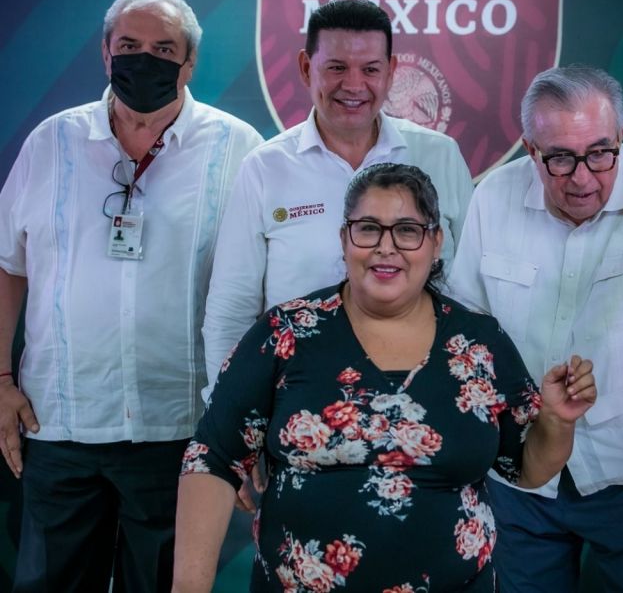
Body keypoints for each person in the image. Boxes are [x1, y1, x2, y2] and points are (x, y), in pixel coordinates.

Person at [173, 163, 595, 592]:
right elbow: (212, 457)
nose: (385, 247)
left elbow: (526, 467)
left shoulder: (479, 342)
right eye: (369, 229)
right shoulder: (287, 333)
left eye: (407, 230)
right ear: (344, 238)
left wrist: (557, 421)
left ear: (435, 242)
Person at [0, 0, 262, 592]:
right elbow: (7, 264)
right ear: (105, 53)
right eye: (129, 46)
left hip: (181, 429)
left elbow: (262, 292)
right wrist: (0, 379)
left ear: (190, 62)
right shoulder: (50, 143)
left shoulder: (239, 149)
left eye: (164, 49)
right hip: (60, 424)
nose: (144, 60)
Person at [448, 65, 623, 592]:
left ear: (621, 138)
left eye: (600, 153)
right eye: (561, 158)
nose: (583, 178)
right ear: (530, 149)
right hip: (521, 469)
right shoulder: (494, 196)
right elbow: (465, 322)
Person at [202, 0, 474, 405]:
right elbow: (231, 310)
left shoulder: (439, 156)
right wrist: (231, 414)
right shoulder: (265, 167)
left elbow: (469, 290)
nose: (354, 85)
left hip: (426, 396)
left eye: (370, 69)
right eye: (336, 68)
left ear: (391, 71)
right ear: (305, 67)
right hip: (298, 401)